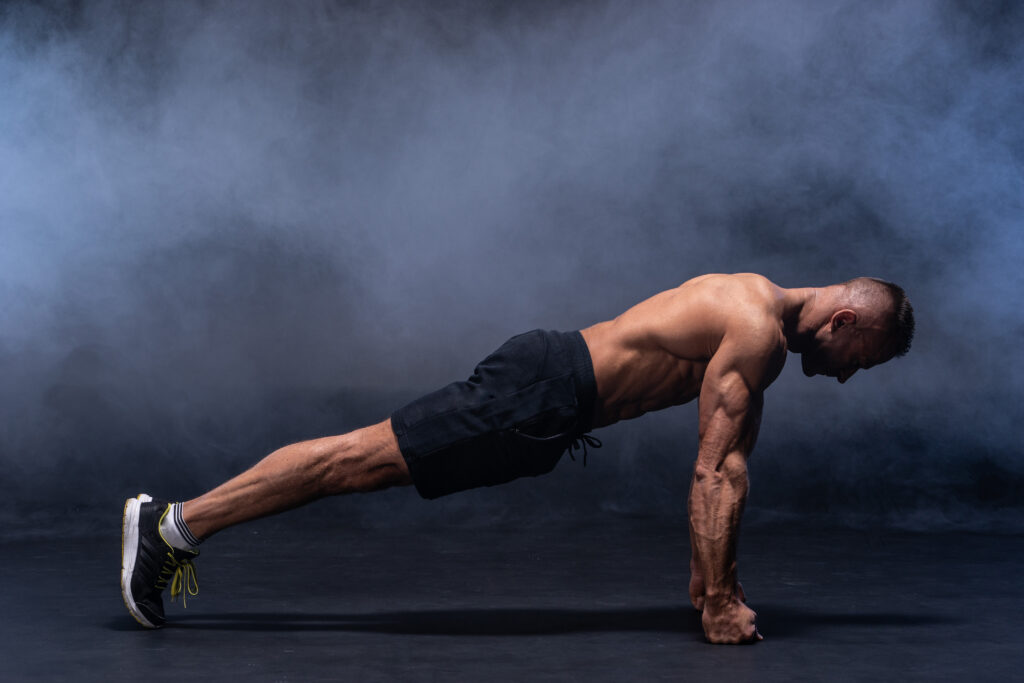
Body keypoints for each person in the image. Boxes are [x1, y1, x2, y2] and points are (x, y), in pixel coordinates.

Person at [120, 272, 914, 644]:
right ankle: (171, 527)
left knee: (363, 462)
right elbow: (715, 471)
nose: (849, 376)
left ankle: (178, 526)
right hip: (539, 393)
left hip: (547, 399)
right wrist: (716, 607)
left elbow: (730, 462)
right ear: (845, 321)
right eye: (862, 360)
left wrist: (716, 580)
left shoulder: (757, 311)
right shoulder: (756, 331)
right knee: (354, 460)